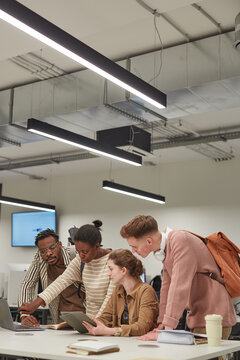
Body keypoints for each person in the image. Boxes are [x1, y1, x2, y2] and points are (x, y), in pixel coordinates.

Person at [120, 215, 236, 340]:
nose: (133, 251)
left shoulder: (180, 240)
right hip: (198, 316)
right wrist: (161, 324)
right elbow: (167, 289)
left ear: (149, 241)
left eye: (135, 246)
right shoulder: (164, 251)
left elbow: (180, 285)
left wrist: (167, 329)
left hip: (213, 317)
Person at [19, 220, 115, 319]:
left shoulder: (114, 261)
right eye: (78, 251)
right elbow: (61, 281)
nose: (81, 255)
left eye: (85, 251)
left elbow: (110, 299)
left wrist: (97, 323)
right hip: (88, 323)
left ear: (97, 246)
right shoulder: (80, 260)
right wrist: (34, 305)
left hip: (105, 323)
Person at [83, 249, 159, 336]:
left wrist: (110, 331)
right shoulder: (118, 290)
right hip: (123, 343)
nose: (108, 273)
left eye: (111, 269)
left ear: (123, 270)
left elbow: (142, 327)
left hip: (142, 345)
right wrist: (87, 324)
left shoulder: (146, 292)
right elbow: (104, 318)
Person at [19, 228, 85, 326]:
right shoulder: (39, 258)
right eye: (43, 251)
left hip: (86, 312)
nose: (48, 253)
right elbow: (27, 285)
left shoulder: (75, 255)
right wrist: (24, 315)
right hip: (61, 316)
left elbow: (62, 282)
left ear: (59, 245)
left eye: (52, 248)